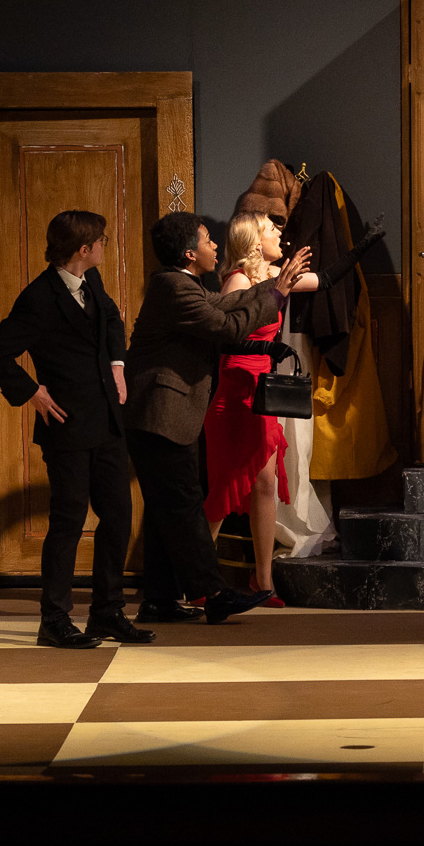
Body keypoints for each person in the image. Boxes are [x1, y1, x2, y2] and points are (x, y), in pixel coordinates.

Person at [123, 211, 309, 625]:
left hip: (167, 415)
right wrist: (276, 295)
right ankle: (213, 593)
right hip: (160, 414)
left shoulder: (187, 285)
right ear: (190, 253)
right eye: (207, 240)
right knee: (186, 505)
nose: (214, 246)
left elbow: (226, 304)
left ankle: (160, 599)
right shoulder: (173, 286)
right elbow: (226, 326)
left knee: (165, 511)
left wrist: (274, 289)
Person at [0, 210, 150, 649]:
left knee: (117, 516)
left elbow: (111, 319)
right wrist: (32, 392)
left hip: (108, 421)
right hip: (67, 427)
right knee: (69, 521)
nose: (105, 245)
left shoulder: (91, 280)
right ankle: (54, 620)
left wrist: (117, 365)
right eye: (102, 240)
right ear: (84, 249)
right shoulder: (39, 297)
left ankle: (107, 612)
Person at [202, 211, 380, 604]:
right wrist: (268, 346)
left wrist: (362, 247)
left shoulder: (276, 275)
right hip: (236, 393)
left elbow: (326, 279)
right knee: (227, 487)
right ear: (254, 241)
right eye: (271, 229)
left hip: (262, 393)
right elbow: (225, 337)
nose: (280, 235)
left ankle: (263, 581)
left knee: (265, 485)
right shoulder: (239, 281)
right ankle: (198, 580)